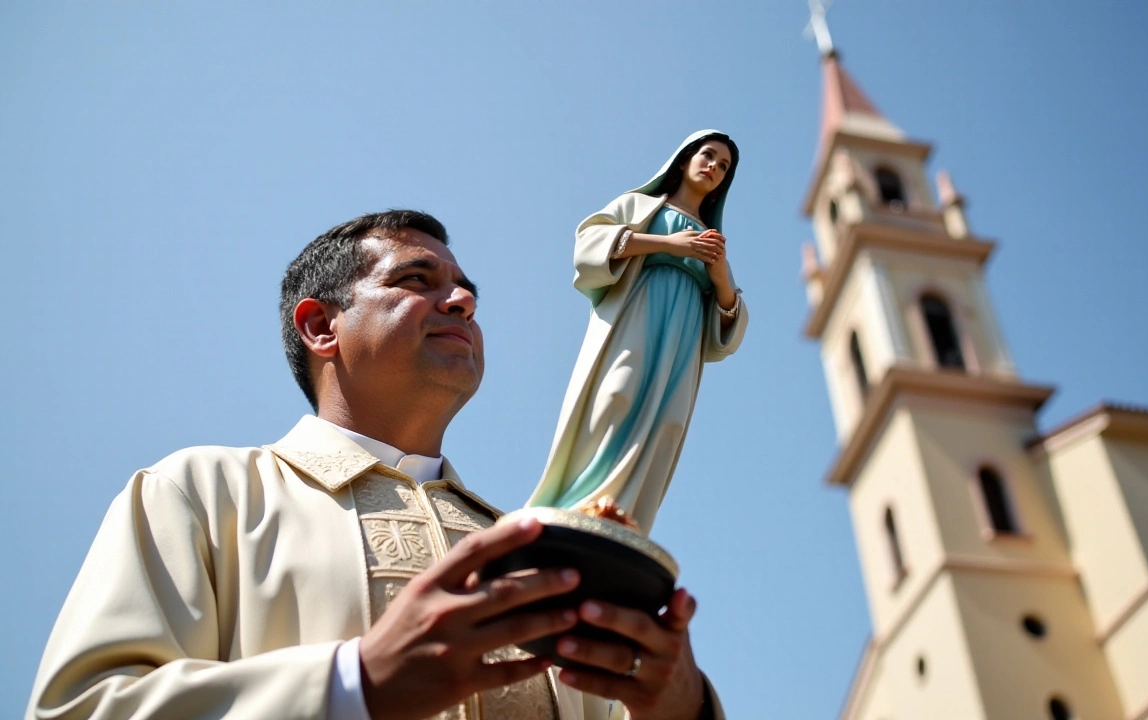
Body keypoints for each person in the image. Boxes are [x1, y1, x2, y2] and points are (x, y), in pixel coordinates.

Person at [27, 211, 724, 720]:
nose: (460, 300)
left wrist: (681, 705)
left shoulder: (538, 547)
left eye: (465, 290)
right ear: (320, 327)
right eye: (417, 278)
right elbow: (79, 710)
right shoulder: (200, 494)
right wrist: (352, 685)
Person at [528, 130, 748, 535]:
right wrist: (669, 244)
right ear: (684, 160)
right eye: (708, 155)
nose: (714, 167)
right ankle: (580, 505)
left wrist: (720, 277)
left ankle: (623, 519)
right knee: (616, 394)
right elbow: (591, 242)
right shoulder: (640, 205)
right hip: (639, 315)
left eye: (724, 165)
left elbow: (729, 324)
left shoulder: (714, 241)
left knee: (668, 422)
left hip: (682, 335)